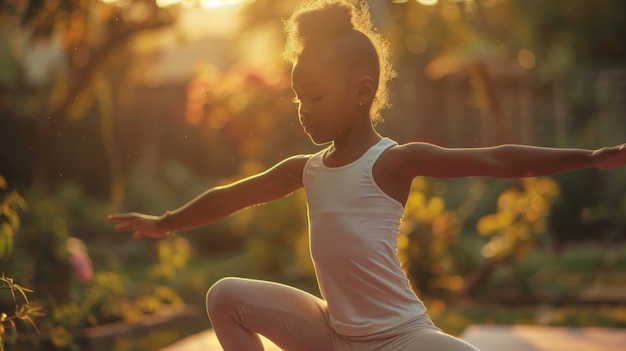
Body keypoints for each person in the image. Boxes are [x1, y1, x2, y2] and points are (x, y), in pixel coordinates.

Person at [109, 1, 626, 350]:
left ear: (361, 91)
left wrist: (593, 155)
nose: (302, 109)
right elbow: (231, 197)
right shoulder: (305, 170)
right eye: (296, 96)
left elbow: (495, 159)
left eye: (315, 96)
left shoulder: (392, 161)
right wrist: (166, 222)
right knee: (224, 296)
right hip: (334, 335)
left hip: (401, 338)